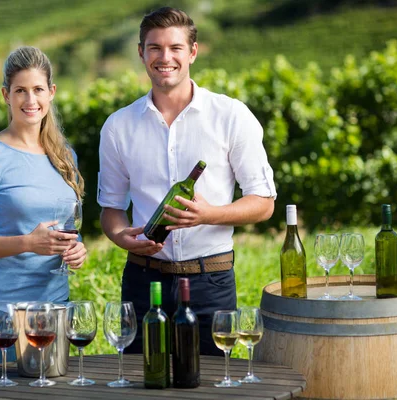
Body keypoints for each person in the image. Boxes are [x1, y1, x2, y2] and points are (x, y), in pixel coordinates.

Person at [98, 7, 276, 356]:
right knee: (140, 385)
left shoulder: (230, 116)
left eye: (175, 48)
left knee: (207, 387)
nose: (165, 57)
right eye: (155, 48)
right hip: (143, 281)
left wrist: (208, 214)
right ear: (141, 53)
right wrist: (122, 237)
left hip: (210, 282)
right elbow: (111, 210)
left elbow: (264, 202)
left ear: (192, 52)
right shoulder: (118, 126)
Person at [0, 46, 87, 369]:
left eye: (38, 90)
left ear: (52, 93)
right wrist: (28, 243)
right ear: (6, 95)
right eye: (20, 91)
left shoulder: (65, 156)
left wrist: (77, 250)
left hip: (52, 311)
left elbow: (68, 229)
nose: (31, 101)